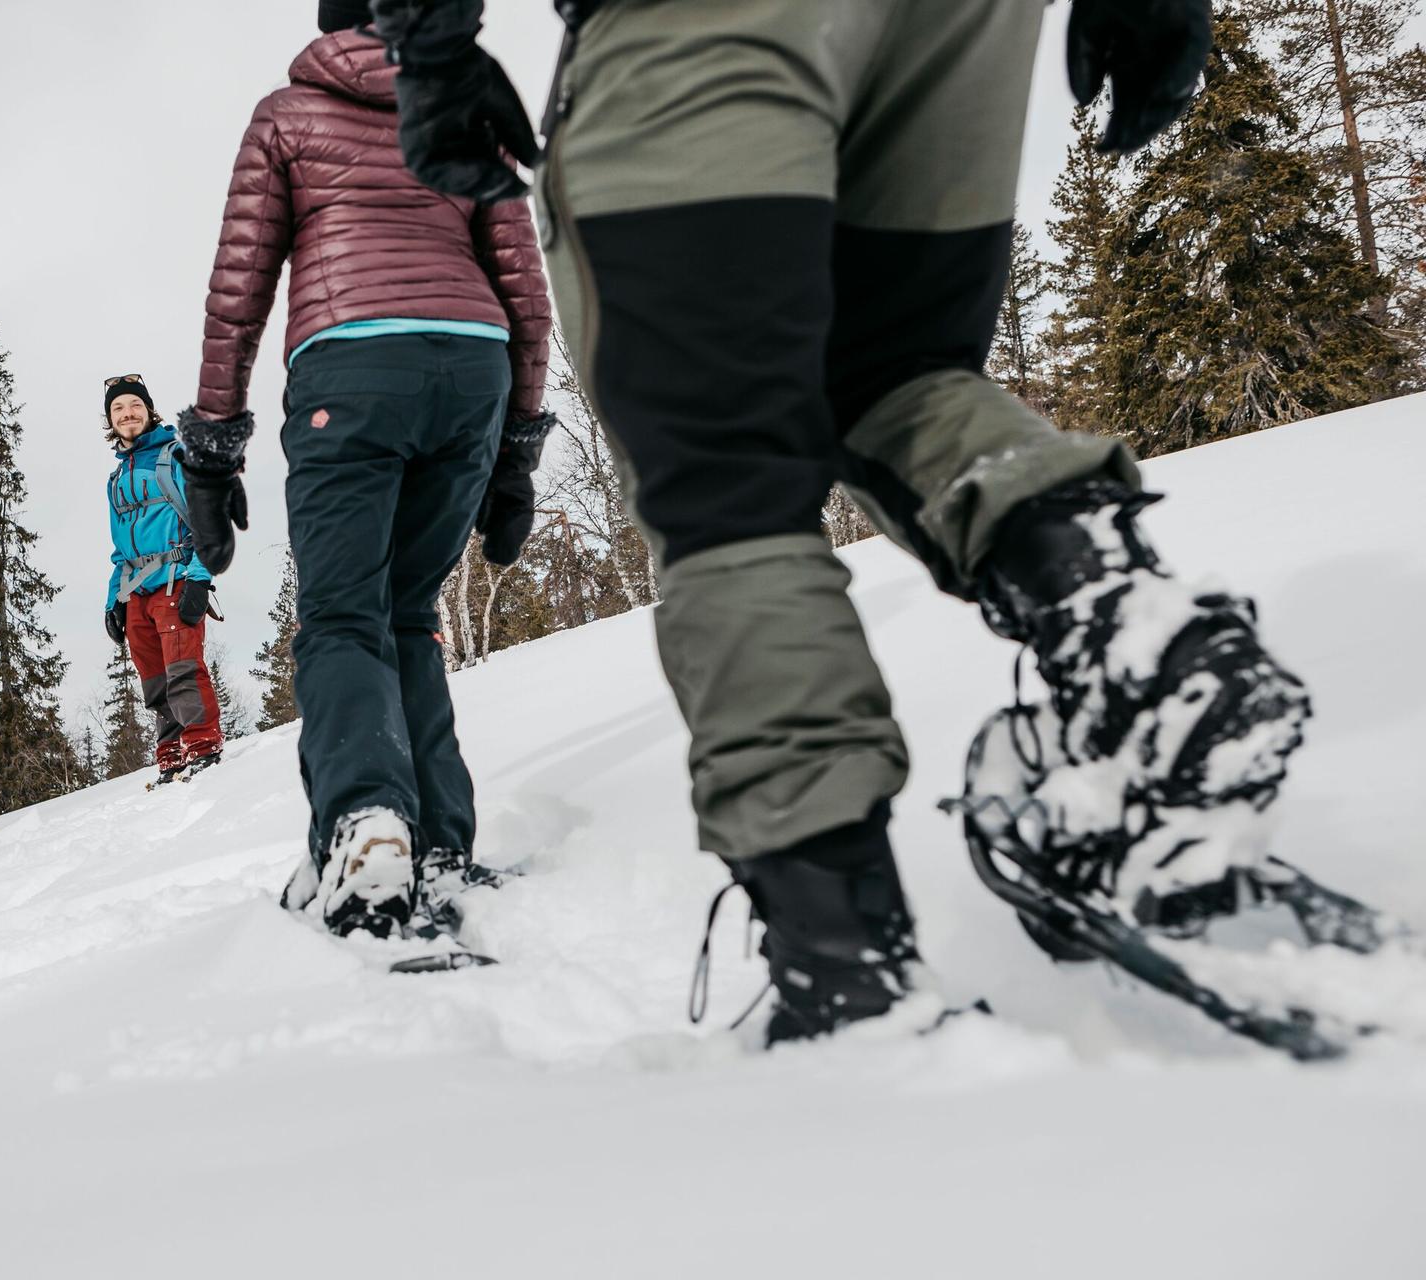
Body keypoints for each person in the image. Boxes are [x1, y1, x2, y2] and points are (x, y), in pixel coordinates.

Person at [370, 0, 1312, 1041]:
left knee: (721, 465)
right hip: (965, 28)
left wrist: (429, 43)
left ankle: (841, 957)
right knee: (897, 377)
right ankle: (1145, 639)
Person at [175, 0, 554, 938]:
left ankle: (363, 822)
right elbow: (525, 290)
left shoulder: (287, 113)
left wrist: (213, 453)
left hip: (351, 366)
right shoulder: (466, 106)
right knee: (410, 614)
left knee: (344, 615)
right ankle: (438, 843)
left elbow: (240, 290)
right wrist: (515, 448)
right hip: (473, 366)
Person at [102, 375, 225, 786]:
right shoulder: (116, 481)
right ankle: (171, 754)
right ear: (110, 420)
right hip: (136, 590)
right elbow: (120, 550)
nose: (127, 413)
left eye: (134, 405)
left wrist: (200, 579)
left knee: (183, 669)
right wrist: (112, 601)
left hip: (177, 578)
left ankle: (203, 745)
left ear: (148, 410)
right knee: (153, 678)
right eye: (118, 408)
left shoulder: (176, 455)